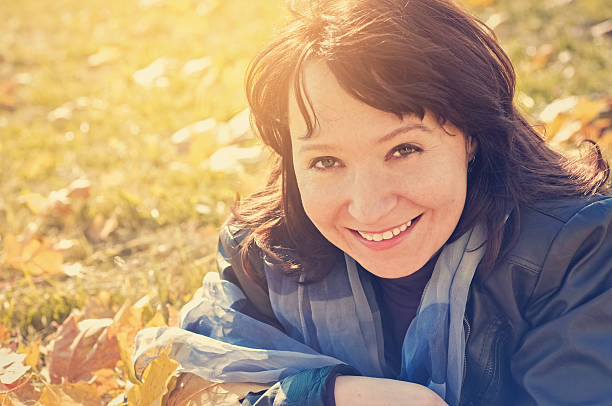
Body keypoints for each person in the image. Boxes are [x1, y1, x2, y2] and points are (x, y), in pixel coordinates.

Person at [133, 0, 612, 404]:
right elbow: (189, 377)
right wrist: (330, 392)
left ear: (472, 138)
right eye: (325, 161)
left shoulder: (578, 250)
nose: (368, 207)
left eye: (404, 150)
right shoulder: (263, 256)